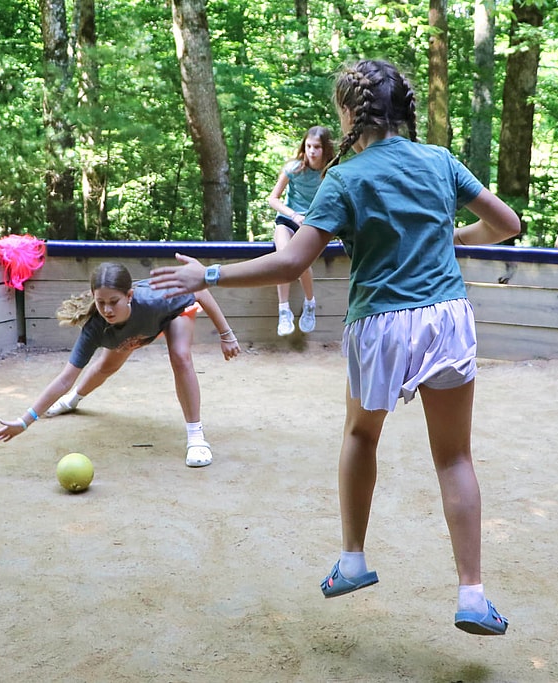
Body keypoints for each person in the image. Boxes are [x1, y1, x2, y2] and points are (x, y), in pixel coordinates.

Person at [149, 59, 520, 634]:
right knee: (454, 458)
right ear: (406, 110)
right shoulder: (441, 161)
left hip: (379, 323)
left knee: (360, 434)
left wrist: (211, 277)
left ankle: (352, 562)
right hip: (446, 318)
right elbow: (506, 224)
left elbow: (293, 259)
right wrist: (450, 239)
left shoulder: (344, 178)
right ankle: (472, 596)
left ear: (350, 113)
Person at [0, 262, 241, 468]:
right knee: (105, 367)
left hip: (173, 314)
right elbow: (65, 378)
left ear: (129, 295)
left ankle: (196, 436)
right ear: (93, 298)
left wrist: (226, 333)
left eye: (114, 301)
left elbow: (200, 291)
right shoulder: (96, 327)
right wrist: (25, 421)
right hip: (136, 329)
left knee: (180, 356)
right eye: (101, 302)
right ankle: (72, 401)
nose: (107, 309)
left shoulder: (157, 298)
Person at [266, 125, 336, 336]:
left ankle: (310, 302)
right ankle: (283, 310)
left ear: (325, 149)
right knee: (283, 257)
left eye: (317, 147)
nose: (312, 151)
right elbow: (272, 198)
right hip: (288, 220)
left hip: (312, 224)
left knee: (301, 261)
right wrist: (293, 215)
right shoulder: (294, 169)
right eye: (308, 146)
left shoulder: (332, 171)